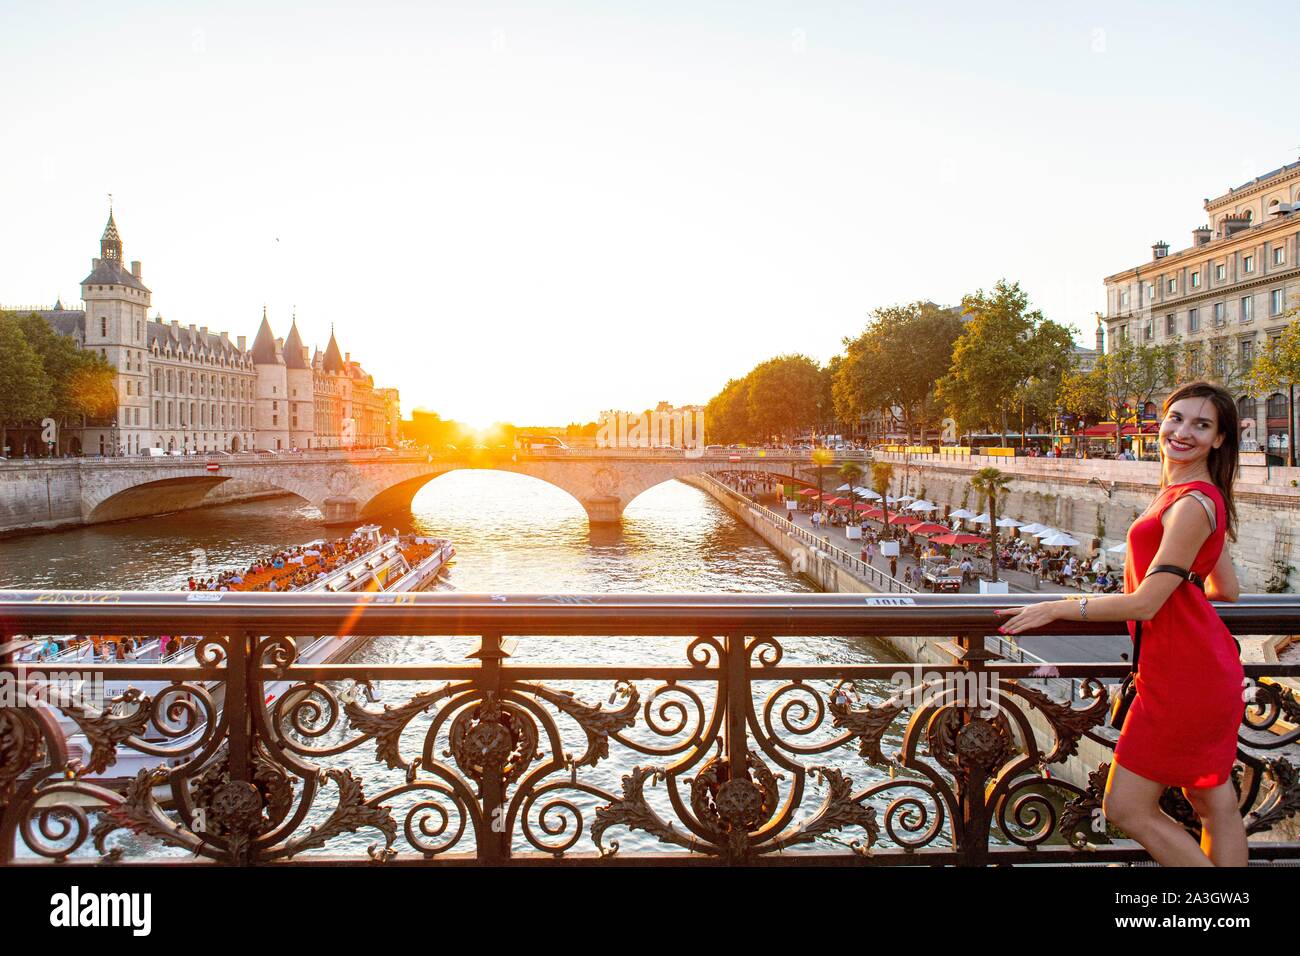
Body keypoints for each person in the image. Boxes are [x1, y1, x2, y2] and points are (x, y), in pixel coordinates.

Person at [996, 381, 1246, 867]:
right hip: (1199, 669)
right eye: (1176, 418)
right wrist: (1187, 608)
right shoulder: (1197, 496)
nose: (1183, 431)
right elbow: (1226, 590)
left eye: (1202, 425)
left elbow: (1147, 603)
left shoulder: (1192, 502)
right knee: (1213, 804)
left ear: (1219, 439)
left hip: (1181, 679)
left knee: (1127, 807)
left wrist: (1063, 605)